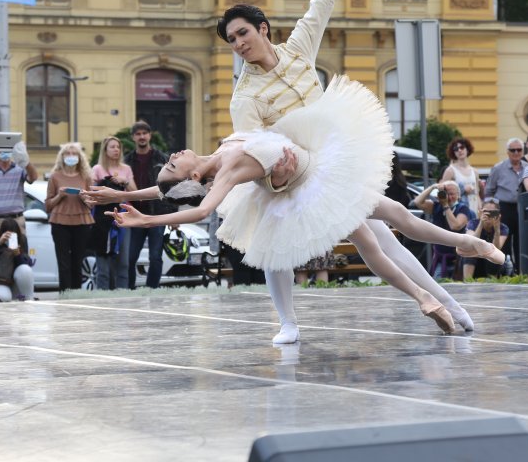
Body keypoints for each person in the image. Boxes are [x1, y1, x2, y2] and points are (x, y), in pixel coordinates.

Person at [211, 0, 480, 342]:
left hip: (332, 167)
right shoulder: (244, 97)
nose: (239, 44)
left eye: (243, 33)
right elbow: (251, 145)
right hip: (287, 177)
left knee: (384, 238)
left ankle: (450, 303)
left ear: (261, 28)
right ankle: (288, 323)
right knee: (273, 246)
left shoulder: (299, 48)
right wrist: (276, 181)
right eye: (232, 41)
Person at [97, 76, 504, 335]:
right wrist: (144, 222)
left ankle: (449, 264)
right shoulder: (226, 171)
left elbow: (167, 192)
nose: (176, 153)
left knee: (393, 220)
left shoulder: (216, 156)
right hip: (314, 189)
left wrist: (121, 196)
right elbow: (200, 209)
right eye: (173, 163)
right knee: (376, 234)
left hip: (316, 174)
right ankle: (447, 267)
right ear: (190, 176)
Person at [124, 121, 178, 289]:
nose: (141, 137)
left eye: (144, 133)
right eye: (138, 134)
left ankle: (151, 290)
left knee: (155, 256)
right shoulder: (127, 160)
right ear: (133, 137)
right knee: (131, 257)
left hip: (158, 214)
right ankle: (130, 290)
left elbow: (173, 187)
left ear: (150, 135)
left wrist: (173, 215)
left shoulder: (161, 158)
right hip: (135, 214)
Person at [45, 143, 94, 291]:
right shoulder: (55, 176)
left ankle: (77, 295)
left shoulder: (86, 177)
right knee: (63, 263)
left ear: (79, 158)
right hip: (60, 223)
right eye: (68, 154)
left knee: (77, 262)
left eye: (74, 154)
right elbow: (48, 205)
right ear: (62, 157)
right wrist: (60, 195)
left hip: (82, 223)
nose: (71, 157)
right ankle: (64, 294)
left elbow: (92, 204)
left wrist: (84, 196)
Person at [91, 136, 137, 290]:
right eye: (112, 147)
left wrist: (125, 181)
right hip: (102, 219)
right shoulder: (97, 169)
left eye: (118, 147)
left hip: (124, 217)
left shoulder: (126, 169)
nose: (116, 149)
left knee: (123, 262)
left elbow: (135, 193)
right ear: (105, 150)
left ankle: (122, 295)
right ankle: (102, 298)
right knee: (103, 265)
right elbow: (90, 194)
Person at [414, 181, 473, 278]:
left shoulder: (463, 208)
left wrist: (445, 206)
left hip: (458, 258)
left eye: (452, 194)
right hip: (441, 258)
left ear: (458, 195)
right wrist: (433, 187)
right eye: (446, 194)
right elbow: (418, 202)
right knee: (439, 284)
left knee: (459, 288)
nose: (449, 197)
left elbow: (455, 226)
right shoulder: (437, 206)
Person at [485, 138, 527, 272]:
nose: (516, 152)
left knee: (522, 241)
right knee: (505, 241)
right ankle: (505, 270)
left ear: (523, 151)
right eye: (512, 150)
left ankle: (522, 270)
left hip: (522, 207)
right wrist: (493, 208)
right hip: (504, 207)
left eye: (519, 150)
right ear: (507, 152)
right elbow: (489, 191)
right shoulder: (498, 168)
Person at [0, 218, 35, 302]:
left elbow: (26, 265)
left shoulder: (22, 239)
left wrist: (17, 254)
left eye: (13, 235)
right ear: (1, 232)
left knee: (25, 270)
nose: (10, 238)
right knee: (3, 298)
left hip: (14, 283)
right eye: (7, 235)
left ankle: (29, 300)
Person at [463, 198, 509, 280]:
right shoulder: (472, 223)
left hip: (491, 262)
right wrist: (481, 223)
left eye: (492, 212)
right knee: (469, 254)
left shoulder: (503, 228)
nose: (489, 215)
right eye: (486, 212)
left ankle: (492, 283)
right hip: (475, 260)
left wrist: (497, 230)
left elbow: (496, 249)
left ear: (498, 214)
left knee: (495, 255)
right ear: (480, 212)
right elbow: (471, 243)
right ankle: (468, 282)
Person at [440, 137, 481, 213]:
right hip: (458, 210)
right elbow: (442, 190)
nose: (459, 150)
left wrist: (480, 209)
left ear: (467, 149)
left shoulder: (474, 171)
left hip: (473, 209)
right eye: (456, 149)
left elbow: (477, 194)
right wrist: (462, 190)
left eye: (462, 147)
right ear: (453, 153)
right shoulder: (450, 170)